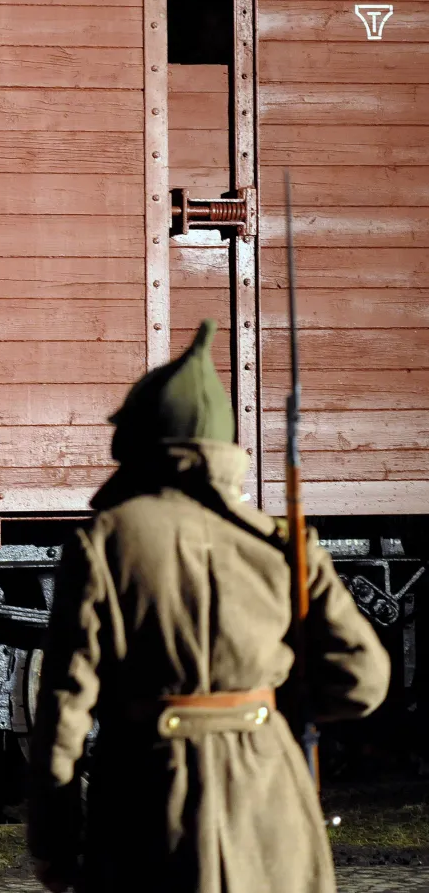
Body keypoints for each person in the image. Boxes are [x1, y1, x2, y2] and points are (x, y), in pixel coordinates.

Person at [27, 320, 391, 893]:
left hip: (145, 809)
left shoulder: (104, 541)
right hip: (270, 804)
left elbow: (64, 710)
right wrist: (265, 706)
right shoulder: (283, 544)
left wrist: (54, 841)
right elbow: (364, 680)